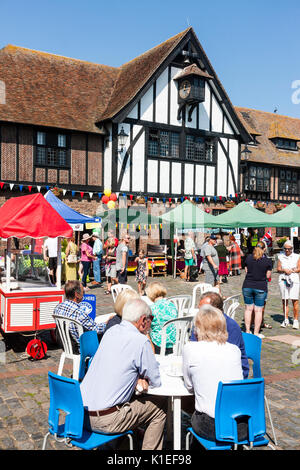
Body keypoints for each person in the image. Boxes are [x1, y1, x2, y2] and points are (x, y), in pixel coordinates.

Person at [80, 299, 167, 450]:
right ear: (142, 320)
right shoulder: (140, 341)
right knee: (160, 406)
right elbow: (155, 381)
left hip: (80, 415)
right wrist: (140, 378)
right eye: (150, 319)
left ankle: (121, 446)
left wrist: (134, 377)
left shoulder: (111, 332)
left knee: (131, 399)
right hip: (106, 420)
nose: (151, 324)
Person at [182, 303, 246, 442]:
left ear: (198, 327)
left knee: (186, 402)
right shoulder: (234, 350)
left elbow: (189, 387)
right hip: (241, 425)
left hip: (212, 426)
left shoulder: (190, 349)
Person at [190, 291, 249, 379]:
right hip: (206, 366)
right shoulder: (199, 322)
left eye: (203, 310)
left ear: (216, 310)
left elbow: (229, 358)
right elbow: (193, 346)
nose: (199, 313)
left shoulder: (230, 326)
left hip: (228, 373)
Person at [53, 280, 106, 351]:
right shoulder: (79, 312)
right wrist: (108, 323)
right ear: (77, 295)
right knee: (104, 335)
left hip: (65, 345)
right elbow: (96, 329)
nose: (84, 294)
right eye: (83, 292)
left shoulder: (58, 307)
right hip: (79, 347)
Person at [242, 240, 272, 338]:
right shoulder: (267, 261)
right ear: (264, 249)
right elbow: (268, 276)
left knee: (248, 309)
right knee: (258, 310)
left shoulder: (249, 258)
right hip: (260, 286)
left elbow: (246, 271)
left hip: (247, 285)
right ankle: (256, 332)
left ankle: (247, 330)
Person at [146, 282, 178, 354]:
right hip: (174, 342)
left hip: (159, 344)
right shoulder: (172, 304)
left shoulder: (152, 309)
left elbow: (146, 327)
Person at [277, 240, 300, 329]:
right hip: (283, 279)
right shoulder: (280, 256)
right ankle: (285, 319)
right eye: (285, 249)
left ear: (292, 249)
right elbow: (278, 268)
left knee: (295, 300)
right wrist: (284, 270)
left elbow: (299, 268)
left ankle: (295, 320)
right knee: (285, 299)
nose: (287, 251)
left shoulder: (297, 256)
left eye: (289, 249)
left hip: (294, 279)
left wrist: (293, 270)